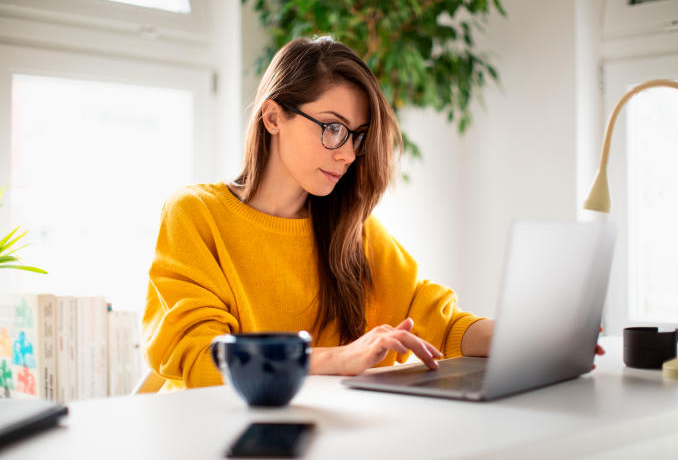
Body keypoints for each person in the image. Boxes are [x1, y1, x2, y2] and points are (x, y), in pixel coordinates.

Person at [143, 37, 594, 392]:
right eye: (332, 128)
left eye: (357, 136)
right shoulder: (196, 214)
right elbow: (202, 357)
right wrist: (335, 358)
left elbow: (442, 322)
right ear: (273, 116)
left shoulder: (351, 229)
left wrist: (537, 336)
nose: (347, 154)